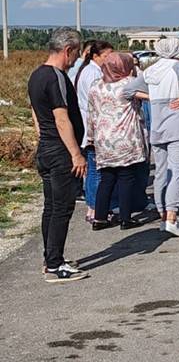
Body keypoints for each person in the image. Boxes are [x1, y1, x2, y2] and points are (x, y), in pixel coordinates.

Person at [28, 28, 87, 282]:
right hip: (60, 151)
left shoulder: (36, 75)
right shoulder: (56, 77)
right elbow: (61, 118)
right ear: (68, 50)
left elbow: (35, 113)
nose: (75, 60)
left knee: (50, 206)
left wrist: (42, 137)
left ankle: (49, 258)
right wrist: (76, 154)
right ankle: (55, 265)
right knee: (62, 208)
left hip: (46, 148)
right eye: (75, 54)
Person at [125, 38, 179, 237]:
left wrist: (153, 97)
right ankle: (172, 217)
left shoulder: (151, 70)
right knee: (177, 172)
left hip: (157, 126)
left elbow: (128, 90)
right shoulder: (176, 66)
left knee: (161, 172)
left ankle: (162, 215)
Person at [85, 53, 148, 231]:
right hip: (125, 137)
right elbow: (147, 86)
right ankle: (126, 218)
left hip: (103, 138)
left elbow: (91, 113)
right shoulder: (128, 84)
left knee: (107, 179)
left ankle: (99, 218)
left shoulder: (95, 86)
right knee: (126, 178)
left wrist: (90, 137)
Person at [74, 40, 114, 223]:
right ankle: (95, 207)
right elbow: (97, 102)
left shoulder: (90, 71)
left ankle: (93, 207)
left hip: (91, 124)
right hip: (95, 126)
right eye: (106, 56)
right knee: (97, 171)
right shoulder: (93, 74)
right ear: (96, 56)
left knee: (93, 170)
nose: (109, 60)